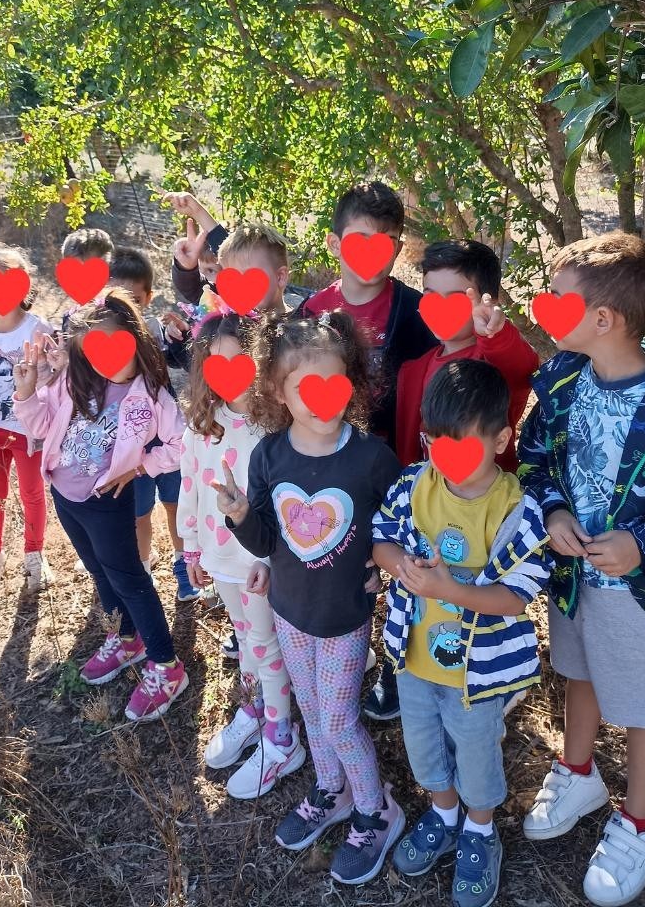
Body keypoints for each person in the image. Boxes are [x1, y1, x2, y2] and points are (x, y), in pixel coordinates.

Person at [517, 232, 645, 906]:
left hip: (634, 590)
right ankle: (579, 773)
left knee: (641, 706)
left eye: (557, 299)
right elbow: (534, 459)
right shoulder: (563, 382)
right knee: (579, 670)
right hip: (573, 580)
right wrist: (552, 512)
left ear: (604, 319)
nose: (543, 308)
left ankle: (641, 821)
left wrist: (644, 544)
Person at [219, 312, 405, 886]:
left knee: (341, 720)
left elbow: (400, 525)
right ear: (278, 392)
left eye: (334, 382)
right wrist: (240, 517)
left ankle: (376, 810)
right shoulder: (269, 457)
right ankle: (332, 789)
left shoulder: (372, 458)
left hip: (344, 617)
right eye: (305, 387)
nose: (322, 399)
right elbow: (268, 540)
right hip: (290, 612)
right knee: (312, 709)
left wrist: (383, 565)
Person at [372, 360, 550, 907]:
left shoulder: (516, 510)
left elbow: (516, 596)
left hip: (478, 672)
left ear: (501, 439)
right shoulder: (414, 486)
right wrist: (401, 566)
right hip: (415, 658)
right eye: (436, 445)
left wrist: (449, 590)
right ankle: (444, 813)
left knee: (476, 751)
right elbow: (382, 540)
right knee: (422, 743)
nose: (447, 462)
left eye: (464, 449)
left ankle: (479, 828)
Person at [12, 288, 188, 723]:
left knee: (130, 581)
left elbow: (183, 444)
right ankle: (127, 639)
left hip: (107, 502)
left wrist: (143, 466)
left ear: (135, 342)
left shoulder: (151, 395)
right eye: (92, 351)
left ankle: (167, 665)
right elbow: (42, 427)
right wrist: (27, 393)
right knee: (99, 572)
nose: (104, 360)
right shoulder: (75, 380)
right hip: (65, 496)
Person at [303, 181, 436, 722]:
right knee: (343, 561)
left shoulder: (418, 312)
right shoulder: (312, 311)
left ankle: (398, 661)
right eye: (359, 240)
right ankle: (343, 650)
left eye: (385, 242)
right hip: (332, 472)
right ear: (334, 243)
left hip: (398, 469)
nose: (371, 254)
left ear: (398, 247)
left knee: (402, 564)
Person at [178, 312, 301, 798]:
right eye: (217, 362)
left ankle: (282, 736)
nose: (229, 372)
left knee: (265, 643)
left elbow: (282, 501)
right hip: (219, 555)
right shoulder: (203, 425)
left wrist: (267, 560)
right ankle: (255, 707)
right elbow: (190, 485)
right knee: (245, 637)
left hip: (257, 561)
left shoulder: (274, 429)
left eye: (240, 360)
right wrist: (190, 546)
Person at [395, 239, 539, 471]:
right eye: (431, 295)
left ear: (488, 301)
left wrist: (494, 333)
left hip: (487, 492)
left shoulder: (493, 364)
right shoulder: (413, 371)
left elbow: (522, 366)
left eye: (457, 299)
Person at [107, 246, 197, 600]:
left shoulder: (157, 331)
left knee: (176, 503)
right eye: (116, 298)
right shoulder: (100, 338)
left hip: (166, 437)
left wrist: (181, 336)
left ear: (147, 298)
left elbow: (183, 361)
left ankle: (183, 565)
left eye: (133, 299)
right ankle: (142, 570)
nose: (124, 308)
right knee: (138, 512)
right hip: (129, 444)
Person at [0, 247, 54, 595]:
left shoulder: (38, 329)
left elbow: (51, 379)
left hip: (28, 428)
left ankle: (34, 556)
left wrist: (34, 383)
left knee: (32, 493)